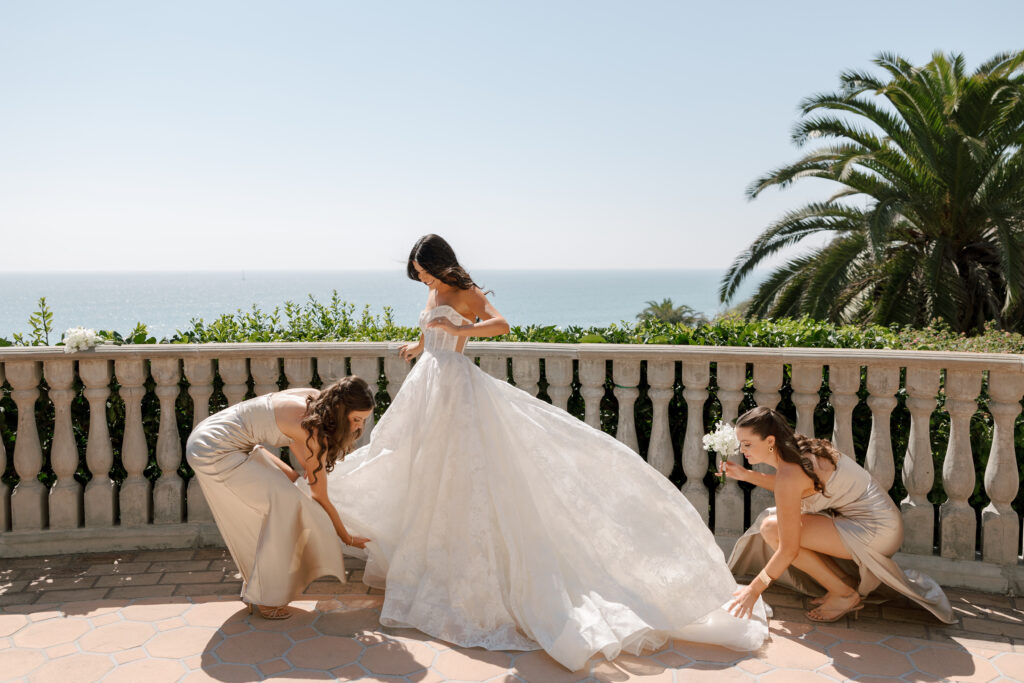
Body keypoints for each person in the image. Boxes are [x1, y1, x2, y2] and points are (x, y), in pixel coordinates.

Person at [326, 234, 769, 671]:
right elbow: (433, 329)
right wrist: (420, 345)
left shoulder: (465, 292)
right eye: (418, 276)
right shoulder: (434, 291)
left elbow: (501, 325)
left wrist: (460, 327)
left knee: (464, 478)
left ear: (439, 264)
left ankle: (471, 583)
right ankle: (429, 570)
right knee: (420, 473)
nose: (421, 280)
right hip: (426, 385)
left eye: (423, 272)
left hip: (456, 389)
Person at [723, 406, 954, 624]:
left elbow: (789, 548)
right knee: (774, 523)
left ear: (770, 441)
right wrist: (746, 475)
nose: (742, 450)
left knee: (772, 529)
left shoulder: (789, 472)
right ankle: (843, 584)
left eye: (747, 444)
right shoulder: (794, 450)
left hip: (876, 530)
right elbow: (793, 487)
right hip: (881, 523)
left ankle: (844, 593)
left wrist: (753, 591)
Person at [186, 376, 375, 619]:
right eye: (356, 419)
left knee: (289, 494)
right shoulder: (312, 430)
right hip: (214, 450)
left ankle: (257, 589)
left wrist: (295, 478)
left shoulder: (313, 398)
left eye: (363, 421)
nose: (358, 428)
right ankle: (266, 598)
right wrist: (346, 536)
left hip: (215, 434)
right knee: (287, 508)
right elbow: (320, 497)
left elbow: (298, 461)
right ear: (340, 410)